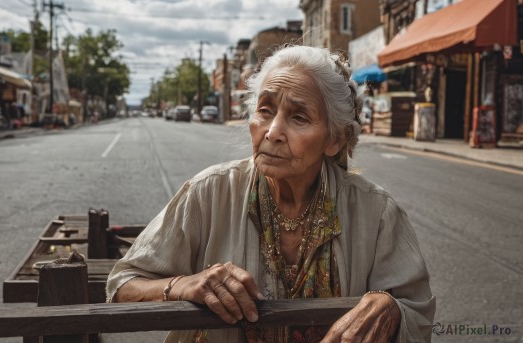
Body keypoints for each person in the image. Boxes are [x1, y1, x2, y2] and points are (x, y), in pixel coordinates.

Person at [106, 45, 435, 342]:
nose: (273, 132)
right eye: (265, 111)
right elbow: (122, 285)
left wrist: (391, 309)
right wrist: (182, 285)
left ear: (335, 139)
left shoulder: (376, 212)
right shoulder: (209, 193)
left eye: (299, 117)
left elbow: (417, 315)